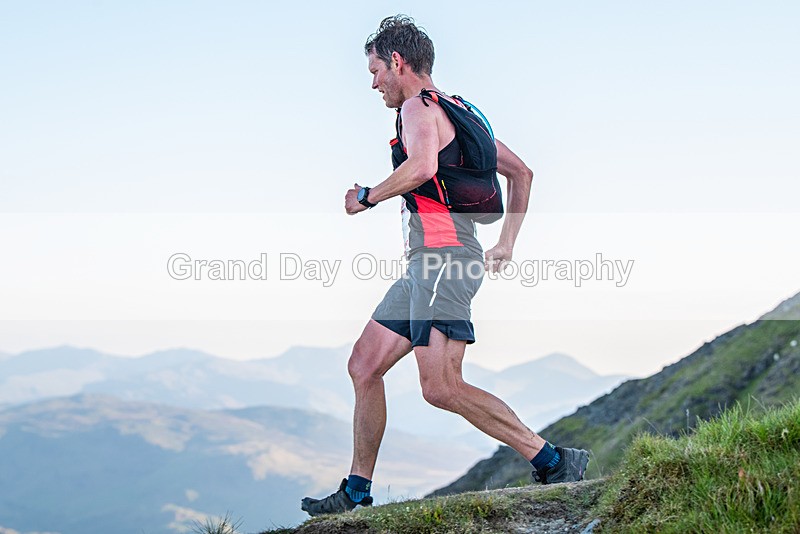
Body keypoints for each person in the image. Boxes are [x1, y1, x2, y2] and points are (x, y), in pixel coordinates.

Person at [301, 15, 589, 517]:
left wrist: (366, 197)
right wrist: (506, 243)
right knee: (364, 366)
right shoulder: (456, 111)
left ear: (397, 61)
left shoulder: (417, 108)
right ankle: (356, 491)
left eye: (374, 72)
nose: (373, 84)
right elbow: (522, 172)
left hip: (443, 262)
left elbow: (423, 169)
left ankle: (553, 459)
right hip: (428, 266)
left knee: (440, 387)